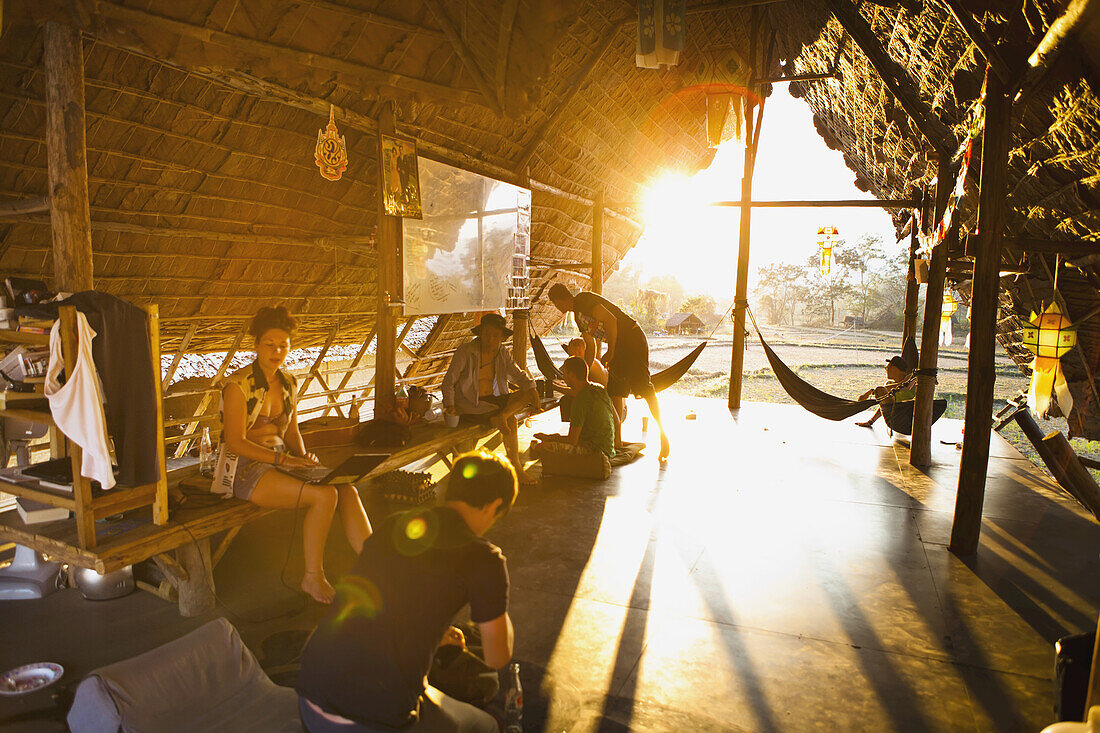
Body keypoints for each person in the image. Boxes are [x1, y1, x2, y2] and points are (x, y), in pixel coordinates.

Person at [296, 451, 517, 733]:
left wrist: (434, 637)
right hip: (369, 722)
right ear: (494, 505)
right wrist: (499, 605)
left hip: (310, 698)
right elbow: (498, 657)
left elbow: (379, 604)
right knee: (484, 725)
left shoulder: (396, 525)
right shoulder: (484, 558)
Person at [219, 306, 372, 604]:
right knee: (324, 496)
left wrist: (304, 458)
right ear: (256, 345)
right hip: (245, 468)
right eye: (269, 344)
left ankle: (377, 563)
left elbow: (290, 432)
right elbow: (235, 442)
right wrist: (284, 460)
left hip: (283, 462)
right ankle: (312, 577)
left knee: (346, 487)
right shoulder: (238, 386)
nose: (277, 351)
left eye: (283, 345)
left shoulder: (288, 383)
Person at [548, 283, 669, 462]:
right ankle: (616, 440)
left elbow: (611, 320)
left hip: (632, 338)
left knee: (644, 388)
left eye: (555, 304)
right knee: (614, 388)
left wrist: (611, 350)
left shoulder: (584, 300)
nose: (557, 309)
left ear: (558, 301)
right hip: (619, 347)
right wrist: (585, 374)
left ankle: (663, 434)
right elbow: (591, 344)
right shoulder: (577, 317)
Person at [442, 313, 540, 484]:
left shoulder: (502, 352)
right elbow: (448, 381)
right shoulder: (466, 351)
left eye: (496, 336)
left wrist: (533, 390)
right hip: (472, 405)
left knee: (526, 393)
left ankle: (502, 416)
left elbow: (518, 376)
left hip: (496, 401)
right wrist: (450, 405)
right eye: (487, 334)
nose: (490, 340)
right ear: (480, 334)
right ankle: (516, 470)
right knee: (511, 422)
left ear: (501, 338)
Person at [536, 356, 616, 460]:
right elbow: (617, 421)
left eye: (564, 373)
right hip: (609, 449)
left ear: (572, 375)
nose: (563, 377)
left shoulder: (580, 400)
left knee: (540, 447)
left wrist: (551, 438)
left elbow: (572, 440)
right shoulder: (600, 389)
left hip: (596, 452)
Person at [856, 355, 916, 428]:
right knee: (881, 391)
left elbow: (905, 386)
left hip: (910, 416)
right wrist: (871, 421)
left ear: (893, 368)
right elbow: (885, 406)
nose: (886, 370)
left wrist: (878, 389)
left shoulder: (911, 377)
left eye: (886, 368)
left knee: (880, 389)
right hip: (897, 417)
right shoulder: (889, 384)